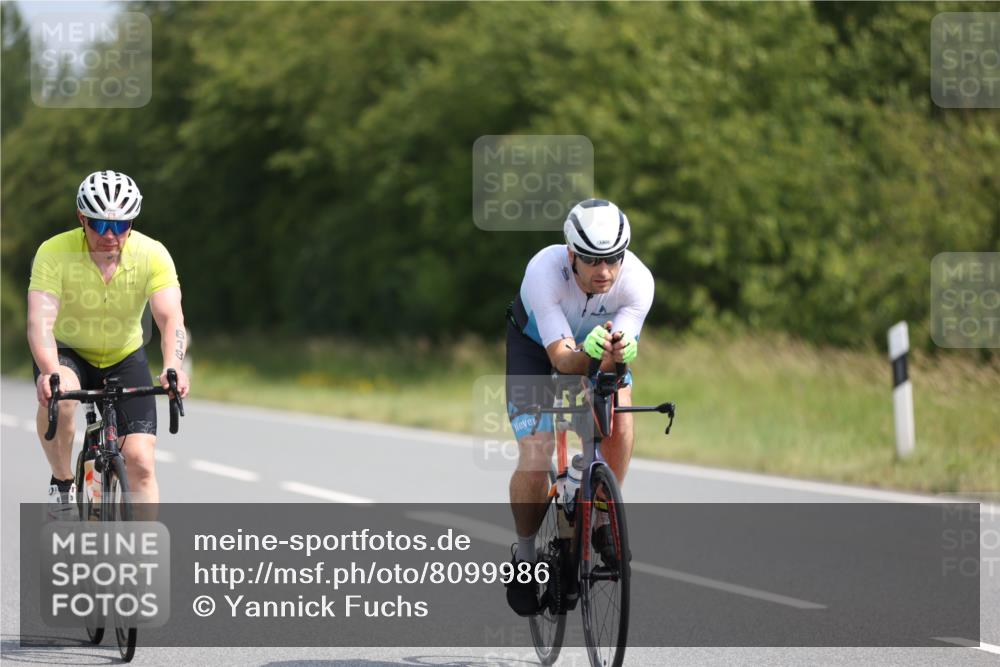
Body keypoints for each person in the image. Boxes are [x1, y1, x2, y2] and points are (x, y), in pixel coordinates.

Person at [504, 198, 653, 615]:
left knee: (619, 423)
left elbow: (612, 362)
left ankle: (602, 516)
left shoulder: (638, 281)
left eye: (613, 259)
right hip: (538, 350)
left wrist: (613, 357)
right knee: (536, 454)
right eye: (591, 260)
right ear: (571, 253)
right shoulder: (543, 271)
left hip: (592, 352)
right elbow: (562, 360)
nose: (604, 271)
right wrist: (588, 355)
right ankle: (526, 557)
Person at [27, 170, 191, 517]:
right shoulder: (54, 252)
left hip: (123, 355)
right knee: (63, 395)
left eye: (120, 226)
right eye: (99, 225)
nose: (110, 235)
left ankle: (143, 557)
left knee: (141, 462)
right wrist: (48, 370)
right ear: (81, 218)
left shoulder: (153, 254)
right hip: (67, 352)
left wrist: (173, 366)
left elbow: (170, 318)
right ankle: (62, 485)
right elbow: (40, 320)